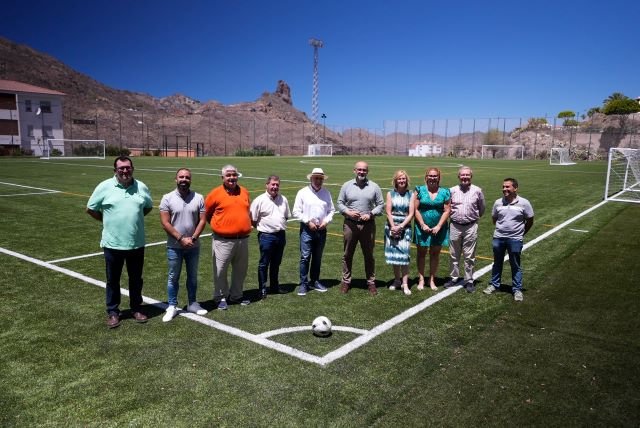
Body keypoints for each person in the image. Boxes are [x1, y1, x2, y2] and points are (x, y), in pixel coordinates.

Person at [86, 155, 153, 329]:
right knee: (113, 280)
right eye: (121, 168)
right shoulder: (105, 186)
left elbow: (147, 207)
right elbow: (91, 209)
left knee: (136, 279)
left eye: (128, 168)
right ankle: (113, 312)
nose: (125, 171)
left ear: (133, 169)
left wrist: (133, 221)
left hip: (136, 243)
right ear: (115, 170)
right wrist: (107, 220)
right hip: (112, 244)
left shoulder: (141, 187)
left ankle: (136, 308)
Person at [159, 168, 208, 322]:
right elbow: (165, 223)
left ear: (190, 180)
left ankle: (192, 303)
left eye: (187, 177)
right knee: (173, 277)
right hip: (174, 246)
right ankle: (172, 306)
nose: (184, 179)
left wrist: (192, 238)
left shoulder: (199, 197)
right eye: (181, 177)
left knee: (192, 276)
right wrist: (181, 239)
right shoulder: (167, 198)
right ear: (176, 179)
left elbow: (202, 220)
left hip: (193, 246)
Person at [204, 165, 252, 310]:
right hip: (223, 240)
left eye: (234, 175)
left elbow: (246, 211)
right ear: (223, 177)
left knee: (240, 270)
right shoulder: (215, 194)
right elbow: (206, 214)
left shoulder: (244, 191)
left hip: (243, 240)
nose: (232, 178)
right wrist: (221, 226)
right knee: (220, 271)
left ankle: (236, 296)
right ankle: (220, 297)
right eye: (228, 175)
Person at [337, 161, 385, 295]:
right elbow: (340, 203)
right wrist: (348, 212)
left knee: (369, 255)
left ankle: (370, 282)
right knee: (347, 254)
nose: (361, 172)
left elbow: (380, 204)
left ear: (367, 172)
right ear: (354, 171)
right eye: (359, 170)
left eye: (364, 170)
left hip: (368, 226)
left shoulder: (374, 187)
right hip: (350, 224)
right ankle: (346, 281)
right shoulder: (347, 185)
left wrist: (371, 214)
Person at [484, 178, 534, 302]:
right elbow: (494, 218)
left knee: (515, 264)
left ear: (515, 188)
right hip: (499, 238)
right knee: (497, 262)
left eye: (507, 187)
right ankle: (494, 285)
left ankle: (517, 289)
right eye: (503, 187)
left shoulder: (524, 203)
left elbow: (530, 220)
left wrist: (521, 233)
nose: (504, 189)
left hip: (515, 239)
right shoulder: (498, 202)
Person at [292, 167, 335, 296]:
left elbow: (331, 210)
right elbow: (296, 211)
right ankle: (304, 283)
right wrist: (307, 221)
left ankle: (315, 280)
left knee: (317, 257)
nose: (318, 180)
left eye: (320, 178)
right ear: (311, 178)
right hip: (307, 229)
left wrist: (326, 221)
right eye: (316, 178)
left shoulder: (326, 193)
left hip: (321, 230)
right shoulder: (302, 192)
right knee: (305, 257)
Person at [443, 166, 486, 293]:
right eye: (462, 175)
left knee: (469, 255)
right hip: (455, 225)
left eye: (467, 175)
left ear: (471, 176)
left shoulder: (477, 191)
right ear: (459, 177)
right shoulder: (452, 190)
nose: (465, 177)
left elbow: (482, 208)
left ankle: (469, 280)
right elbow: (447, 207)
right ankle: (454, 278)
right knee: (453, 254)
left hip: (471, 226)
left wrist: (474, 218)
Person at [250, 175, 291, 300]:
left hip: (280, 235)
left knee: (276, 263)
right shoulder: (259, 200)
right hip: (266, 236)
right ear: (267, 185)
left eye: (277, 185)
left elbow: (286, 216)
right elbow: (253, 219)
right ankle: (262, 289)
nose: (275, 187)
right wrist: (264, 229)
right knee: (264, 263)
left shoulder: (283, 199)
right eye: (272, 184)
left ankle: (274, 286)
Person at [412, 167, 451, 291]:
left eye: (435, 176)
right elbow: (415, 209)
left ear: (439, 178)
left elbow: (447, 210)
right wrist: (423, 224)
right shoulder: (419, 190)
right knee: (421, 254)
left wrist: (439, 226)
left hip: (439, 228)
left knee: (435, 254)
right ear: (426, 177)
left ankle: (432, 279)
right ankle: (421, 279)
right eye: (430, 176)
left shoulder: (445, 192)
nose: (432, 178)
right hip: (422, 227)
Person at [384, 170, 414, 296]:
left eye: (404, 179)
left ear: (406, 181)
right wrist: (393, 226)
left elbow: (411, 213)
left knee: (404, 256)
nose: (402, 181)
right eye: (399, 179)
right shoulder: (390, 194)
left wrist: (401, 226)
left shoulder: (411, 194)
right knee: (395, 256)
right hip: (391, 227)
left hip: (405, 227)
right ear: (395, 181)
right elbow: (388, 212)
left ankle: (405, 283)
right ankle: (397, 280)